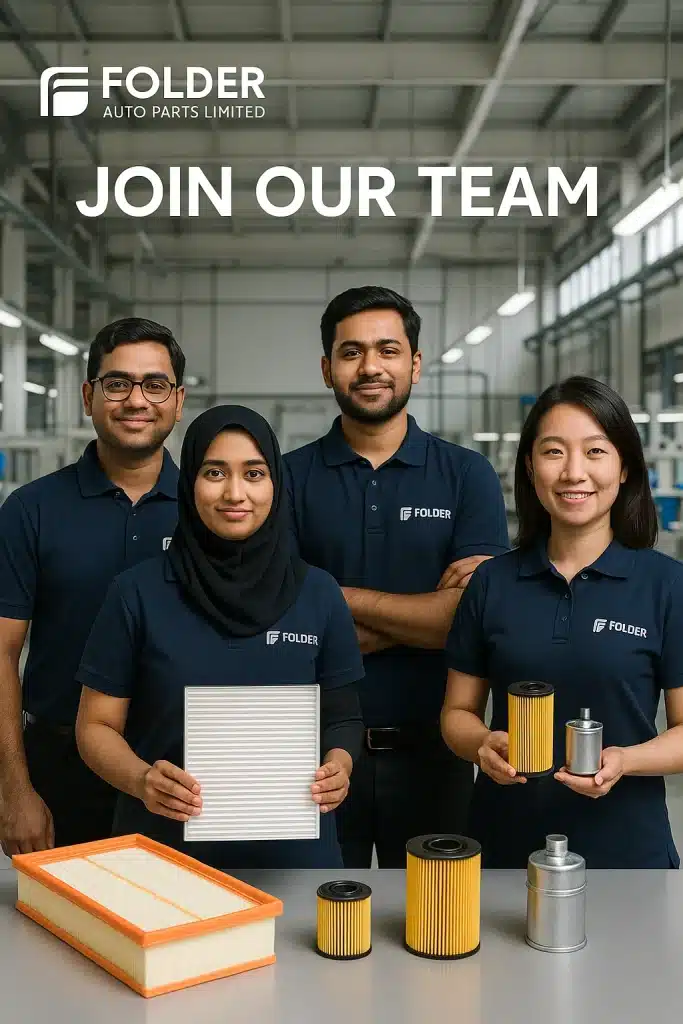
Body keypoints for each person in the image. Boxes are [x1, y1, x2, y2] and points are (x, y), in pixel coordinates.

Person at [74, 406, 364, 869]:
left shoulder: (318, 593)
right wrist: (141, 779)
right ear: (189, 483)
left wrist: (340, 766)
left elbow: (344, 720)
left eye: (254, 473)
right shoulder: (137, 593)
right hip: (162, 856)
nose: (235, 493)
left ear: (276, 485)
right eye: (214, 472)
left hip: (293, 860)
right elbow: (95, 727)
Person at [283, 285, 510, 868]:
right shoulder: (285, 479)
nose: (370, 367)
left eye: (387, 349)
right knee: (323, 933)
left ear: (414, 363)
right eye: (351, 352)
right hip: (318, 761)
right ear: (327, 368)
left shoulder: (467, 476)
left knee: (438, 933)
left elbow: (468, 622)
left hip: (439, 753)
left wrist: (331, 598)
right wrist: (427, 614)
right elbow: (281, 627)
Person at [441, 375, 683, 869]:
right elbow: (456, 714)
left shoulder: (666, 585)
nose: (574, 472)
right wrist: (482, 744)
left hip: (627, 852)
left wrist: (624, 760)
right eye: (554, 452)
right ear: (530, 467)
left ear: (624, 469)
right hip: (504, 850)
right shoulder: (492, 583)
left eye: (595, 452)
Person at [0, 317, 185, 856]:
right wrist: (15, 789)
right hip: (59, 773)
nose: (136, 400)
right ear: (88, 396)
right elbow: (4, 651)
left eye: (154, 385)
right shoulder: (31, 511)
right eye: (117, 383)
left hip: (178, 776)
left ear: (177, 400)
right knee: (55, 938)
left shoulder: (211, 511)